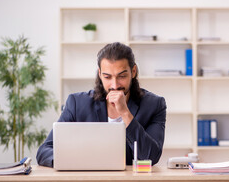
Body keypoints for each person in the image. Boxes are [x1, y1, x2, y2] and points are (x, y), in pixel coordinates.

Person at [36, 42, 167, 167]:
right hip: (87, 181)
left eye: (121, 76)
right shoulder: (77, 103)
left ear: (133, 72)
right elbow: (44, 151)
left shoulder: (154, 105)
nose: (115, 85)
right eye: (107, 77)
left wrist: (125, 114)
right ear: (100, 74)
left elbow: (151, 157)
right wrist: (73, 161)